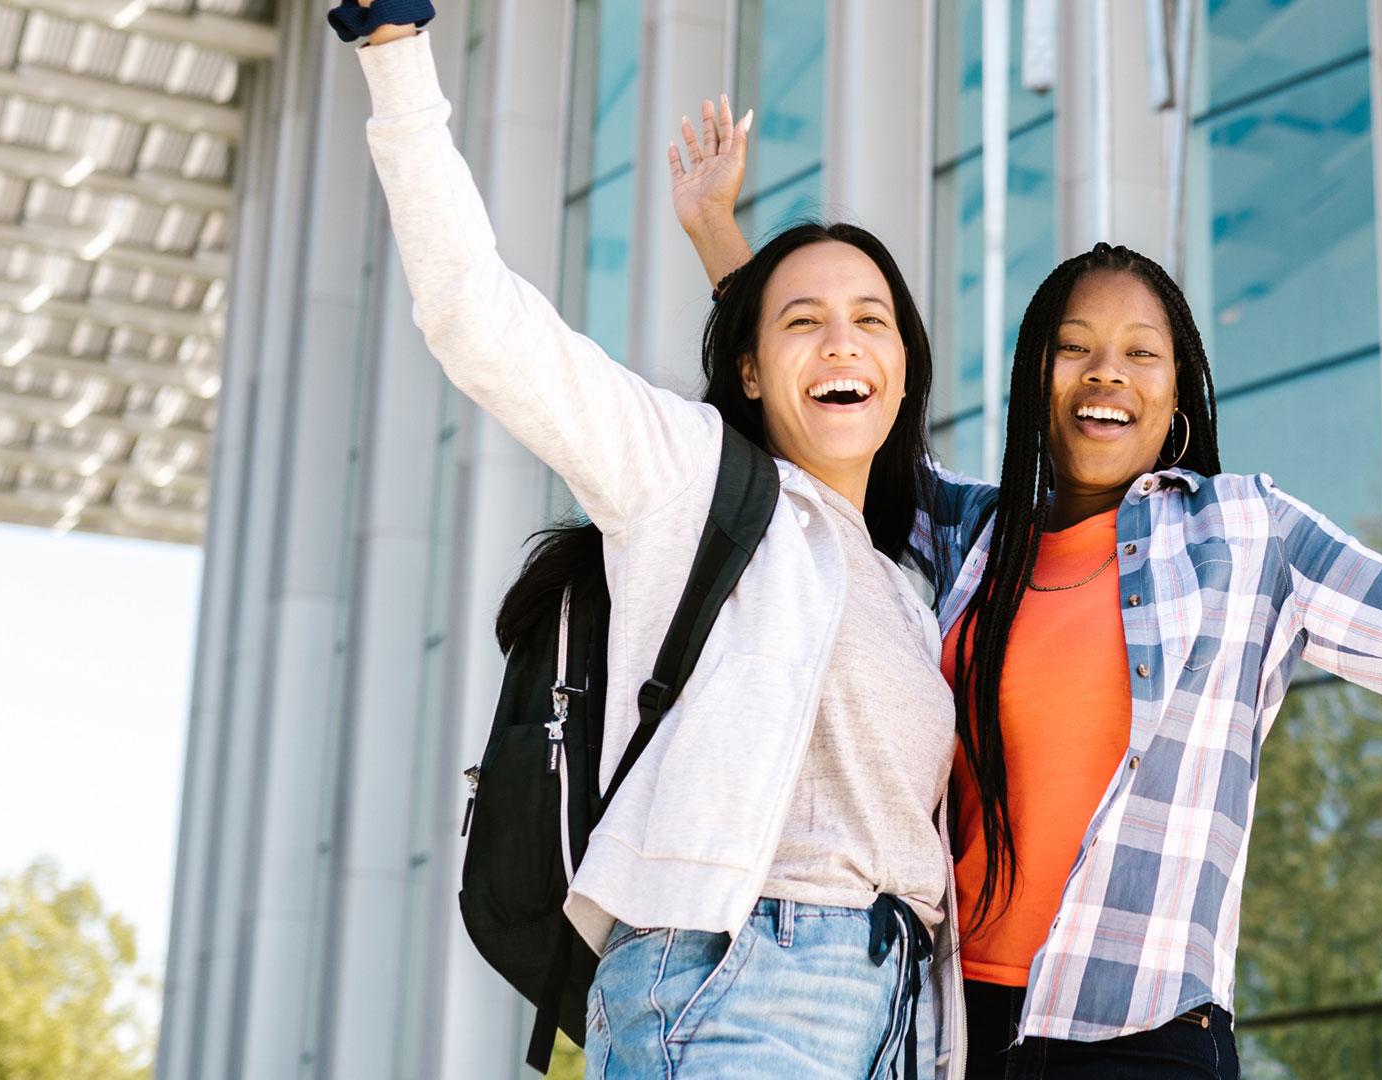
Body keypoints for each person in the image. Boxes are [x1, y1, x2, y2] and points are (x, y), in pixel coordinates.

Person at [671, 97, 1382, 1079]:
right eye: (1074, 347)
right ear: (1035, 377)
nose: (1104, 374)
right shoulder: (972, 540)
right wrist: (714, 231)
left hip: (1145, 1035)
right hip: (953, 1027)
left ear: (1178, 398)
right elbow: (826, 406)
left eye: (1141, 354)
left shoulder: (1249, 537)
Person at [333, 4, 974, 1076]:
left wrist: (725, 237)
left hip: (899, 1018)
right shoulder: (688, 478)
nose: (843, 341)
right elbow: (476, 318)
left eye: (873, 319)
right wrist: (395, 56)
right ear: (754, 371)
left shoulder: (907, 585)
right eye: (805, 323)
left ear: (904, 365)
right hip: (737, 986)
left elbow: (788, 341)